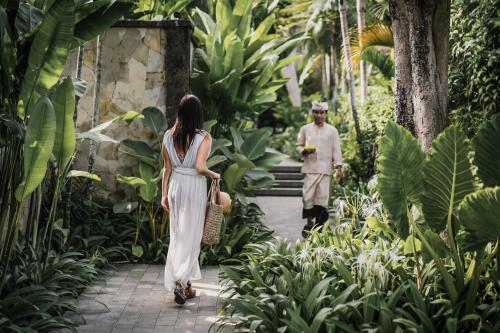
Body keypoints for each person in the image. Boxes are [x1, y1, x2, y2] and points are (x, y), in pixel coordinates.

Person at [161, 94, 220, 305]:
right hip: (193, 186)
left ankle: (185, 286)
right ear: (198, 114)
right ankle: (181, 281)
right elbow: (200, 168)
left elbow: (167, 169)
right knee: (192, 235)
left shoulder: (168, 136)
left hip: (176, 186)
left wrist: (163, 194)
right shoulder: (203, 137)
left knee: (178, 234)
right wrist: (215, 175)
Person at [296, 101, 343, 237]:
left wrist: (338, 167)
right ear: (313, 113)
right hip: (310, 168)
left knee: (322, 198)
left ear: (326, 114)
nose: (319, 115)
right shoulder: (305, 129)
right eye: (316, 112)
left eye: (322, 113)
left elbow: (336, 149)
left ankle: (318, 225)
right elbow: (298, 145)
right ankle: (309, 222)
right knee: (307, 197)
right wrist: (303, 151)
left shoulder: (332, 130)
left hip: (325, 170)